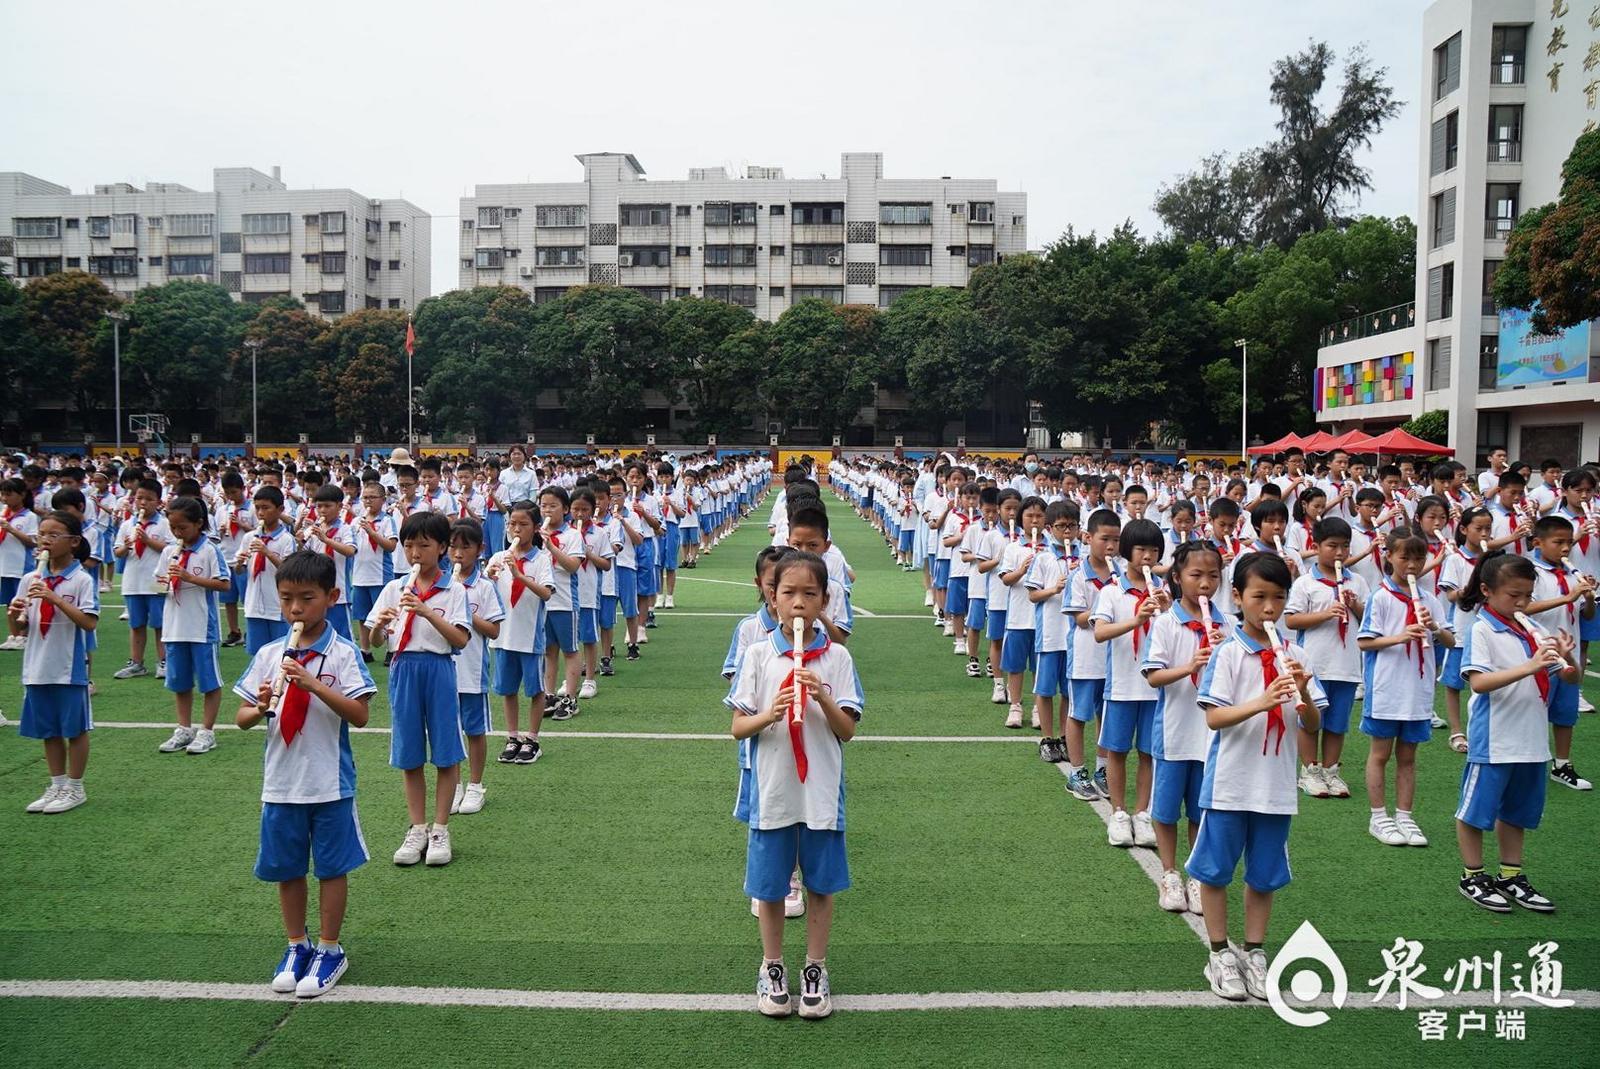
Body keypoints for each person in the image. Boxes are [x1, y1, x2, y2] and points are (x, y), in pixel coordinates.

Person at [727, 551, 863, 1020]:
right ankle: (772, 966)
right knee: (770, 887)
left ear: (824, 601)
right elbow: (738, 727)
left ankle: (816, 967)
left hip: (820, 791)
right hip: (773, 791)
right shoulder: (758, 654)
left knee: (821, 885)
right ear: (773, 598)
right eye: (789, 593)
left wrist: (821, 696)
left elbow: (847, 730)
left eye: (810, 594)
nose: (799, 603)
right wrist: (772, 712)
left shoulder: (838, 658)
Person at [235, 550, 376, 998]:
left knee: (332, 868)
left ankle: (330, 948)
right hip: (281, 782)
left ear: (331, 597)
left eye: (307, 599)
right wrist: (261, 705)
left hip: (329, 781)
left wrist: (312, 684)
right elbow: (241, 718)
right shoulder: (268, 653)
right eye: (287, 599)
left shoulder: (343, 653)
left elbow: (360, 715)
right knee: (287, 867)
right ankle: (297, 944)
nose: (295, 609)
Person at [1189, 552, 1326, 1002]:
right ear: (1237, 597)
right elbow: (1214, 717)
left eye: (1279, 598)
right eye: (1259, 597)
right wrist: (1262, 702)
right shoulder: (1228, 653)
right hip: (1229, 784)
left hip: (1275, 787)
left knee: (1263, 875)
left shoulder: (1296, 654)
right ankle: (1218, 954)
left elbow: (1312, 726)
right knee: (1215, 871)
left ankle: (1254, 951)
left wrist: (1303, 691)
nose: (1270, 608)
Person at [1453, 552, 1579, 913]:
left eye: (1527, 596)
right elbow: (1478, 682)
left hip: (1531, 739)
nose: (1522, 603)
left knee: (1517, 812)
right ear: (1487, 591)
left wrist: (1566, 658)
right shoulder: (1482, 629)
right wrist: (1529, 665)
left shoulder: (1530, 628)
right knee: (1475, 812)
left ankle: (1510, 875)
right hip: (1495, 740)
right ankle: (1472, 875)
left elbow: (1567, 677)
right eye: (1514, 595)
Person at [365, 512, 471, 867]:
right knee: (409, 753)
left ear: (441, 547)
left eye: (423, 545)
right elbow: (376, 641)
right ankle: (417, 827)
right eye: (409, 545)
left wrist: (426, 611)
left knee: (445, 752)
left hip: (438, 668)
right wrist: (379, 627)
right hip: (403, 668)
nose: (415, 553)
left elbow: (460, 639)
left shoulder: (454, 590)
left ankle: (440, 828)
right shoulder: (394, 589)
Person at [1142, 540, 1228, 913]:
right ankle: (1169, 873)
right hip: (1175, 732)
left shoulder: (1228, 625)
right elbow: (1153, 676)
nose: (1205, 584)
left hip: (1210, 736)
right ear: (1177, 577)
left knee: (1199, 810)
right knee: (1165, 810)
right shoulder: (1166, 623)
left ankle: (1195, 874)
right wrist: (1190, 666)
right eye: (1196, 575)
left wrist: (1223, 653)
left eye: (1213, 576)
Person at [1358, 529, 1455, 847]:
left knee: (1408, 756)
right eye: (1404, 557)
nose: (1412, 565)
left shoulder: (1430, 600)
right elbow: (1365, 642)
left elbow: (1451, 641)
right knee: (1380, 754)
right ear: (1389, 557)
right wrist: (1400, 636)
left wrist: (1434, 627)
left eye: (1419, 558)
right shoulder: (1380, 597)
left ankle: (1405, 816)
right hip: (1387, 688)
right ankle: (1378, 816)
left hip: (1418, 690)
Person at [1092, 518, 1170, 848]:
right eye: (1140, 549)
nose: (1147, 557)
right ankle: (1119, 813)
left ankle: (1142, 813)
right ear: (1127, 551)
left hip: (1156, 689)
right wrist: (1136, 620)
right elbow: (1099, 633)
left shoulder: (1166, 593)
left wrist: (1167, 612)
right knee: (1118, 752)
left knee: (1149, 754)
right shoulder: (1112, 591)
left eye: (1154, 550)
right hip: (1123, 686)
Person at [14, 511, 98, 813]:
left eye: (53, 535)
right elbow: (20, 630)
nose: (45, 540)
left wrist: (55, 599)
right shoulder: (30, 578)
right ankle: (57, 784)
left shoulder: (81, 580)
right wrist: (16, 613)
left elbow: (89, 623)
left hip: (68, 666)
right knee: (49, 730)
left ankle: (75, 787)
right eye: (42, 534)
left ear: (73, 541)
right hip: (37, 665)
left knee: (74, 729)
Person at [1283, 517, 1367, 799]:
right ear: (1316, 546)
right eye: (1332, 546)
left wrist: (1355, 605)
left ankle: (1331, 771)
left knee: (1337, 723)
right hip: (1314, 665)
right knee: (1311, 720)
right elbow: (1292, 620)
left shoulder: (1357, 581)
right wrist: (1326, 613)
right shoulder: (1306, 583)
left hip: (1346, 664)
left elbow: (1368, 620)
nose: (1340, 553)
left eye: (1345, 546)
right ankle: (1310, 771)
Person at [154, 497, 233, 755]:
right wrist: (165, 581)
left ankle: (207, 731)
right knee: (180, 681)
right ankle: (184, 728)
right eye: (173, 528)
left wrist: (189, 577)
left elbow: (224, 584)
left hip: (201, 628)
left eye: (182, 527)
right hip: (174, 627)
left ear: (198, 523)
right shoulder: (168, 552)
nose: (177, 533)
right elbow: (157, 586)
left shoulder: (209, 550)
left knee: (209, 682)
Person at [1525, 514, 1597, 790]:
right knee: (1533, 710)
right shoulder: (1529, 572)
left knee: (1566, 713)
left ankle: (1562, 764)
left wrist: (1587, 599)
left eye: (1569, 542)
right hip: (1539, 655)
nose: (1566, 548)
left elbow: (1586, 616)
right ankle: (1529, 762)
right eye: (1558, 542)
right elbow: (1524, 608)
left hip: (1569, 654)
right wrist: (1567, 597)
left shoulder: (1572, 574)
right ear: (1538, 543)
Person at [489, 500, 554, 764]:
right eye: (512, 524)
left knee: (535, 690)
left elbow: (546, 593)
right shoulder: (498, 557)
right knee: (508, 690)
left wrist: (519, 575)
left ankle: (532, 739)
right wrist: (489, 578)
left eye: (523, 524)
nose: (516, 529)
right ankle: (513, 736)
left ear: (536, 528)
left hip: (529, 637)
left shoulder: (541, 559)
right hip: (503, 637)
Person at [448, 519, 504, 816]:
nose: (458, 554)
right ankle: (454, 785)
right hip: (443, 671)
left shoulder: (484, 586)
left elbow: (494, 630)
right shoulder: (441, 584)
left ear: (480, 549)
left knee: (474, 729)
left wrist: (465, 612)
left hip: (470, 671)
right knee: (449, 730)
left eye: (465, 547)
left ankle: (475, 785)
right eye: (452, 547)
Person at [1025, 499, 1079, 762]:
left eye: (1072, 526)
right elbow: (1033, 595)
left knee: (1069, 691)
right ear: (1049, 528)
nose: (1067, 532)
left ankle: (1065, 736)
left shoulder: (1085, 558)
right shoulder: (1043, 558)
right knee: (1045, 689)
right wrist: (1054, 589)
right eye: (1061, 526)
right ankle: (1047, 738)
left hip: (1075, 637)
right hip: (1050, 634)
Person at [111, 478, 172, 679]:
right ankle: (136, 662)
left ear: (159, 502)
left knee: (160, 624)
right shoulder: (127, 524)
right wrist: (127, 546)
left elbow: (172, 550)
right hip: (133, 582)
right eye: (139, 498)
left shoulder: (165, 524)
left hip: (157, 581)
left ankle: (164, 661)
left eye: (149, 499)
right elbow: (117, 551)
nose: (143, 503)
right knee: (136, 624)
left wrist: (147, 540)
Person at [998, 497, 1047, 729]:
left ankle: (1039, 708)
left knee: (1040, 667)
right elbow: (1006, 579)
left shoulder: (1051, 549)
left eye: (1039, 516)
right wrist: (1022, 570)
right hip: (1018, 618)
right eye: (1029, 516)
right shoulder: (1013, 548)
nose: (1034, 521)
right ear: (1021, 519)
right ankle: (1015, 706)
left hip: (1044, 619)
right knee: (1015, 666)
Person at [539, 485, 584, 719]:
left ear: (565, 509)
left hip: (565, 602)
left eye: (553, 506)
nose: (547, 510)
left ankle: (570, 697)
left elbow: (573, 566)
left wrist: (551, 547)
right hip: (542, 603)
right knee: (548, 651)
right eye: (543, 506)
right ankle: (549, 694)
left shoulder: (572, 535)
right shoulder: (535, 534)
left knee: (570, 650)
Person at [239, 486, 298, 656]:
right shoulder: (249, 537)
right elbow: (239, 571)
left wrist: (267, 552)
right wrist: (240, 562)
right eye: (257, 508)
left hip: (277, 607)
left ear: (280, 509)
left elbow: (289, 571)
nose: (260, 513)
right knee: (257, 655)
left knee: (280, 654)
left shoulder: (286, 539)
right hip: (253, 606)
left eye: (266, 508)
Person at [299, 485, 357, 640]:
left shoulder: (346, 529)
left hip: (339, 591)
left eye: (327, 506)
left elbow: (350, 551)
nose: (322, 510)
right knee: (318, 633)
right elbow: (303, 554)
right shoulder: (313, 529)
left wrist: (326, 540)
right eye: (319, 506)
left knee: (343, 635)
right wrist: (299, 541)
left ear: (339, 506)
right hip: (316, 591)